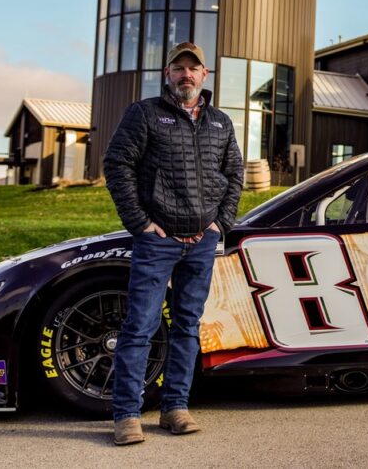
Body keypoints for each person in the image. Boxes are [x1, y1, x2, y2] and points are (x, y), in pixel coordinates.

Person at [103, 41, 243, 445]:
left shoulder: (221, 122)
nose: (186, 74)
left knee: (187, 327)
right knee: (140, 327)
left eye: (193, 68)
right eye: (178, 68)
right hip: (157, 242)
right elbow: (117, 164)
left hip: (201, 242)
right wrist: (140, 223)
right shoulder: (144, 114)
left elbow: (234, 174)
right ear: (167, 74)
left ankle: (175, 408)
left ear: (205, 75)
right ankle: (127, 416)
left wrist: (221, 223)